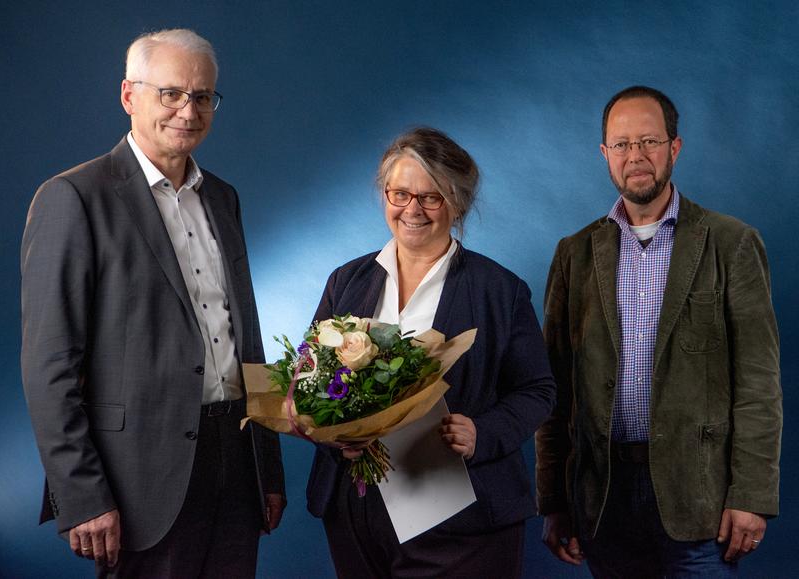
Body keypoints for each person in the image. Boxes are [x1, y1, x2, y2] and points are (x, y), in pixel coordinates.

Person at [21, 29, 285, 577]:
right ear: (128, 96)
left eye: (203, 96)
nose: (188, 111)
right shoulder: (73, 197)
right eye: (171, 93)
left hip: (237, 463)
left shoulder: (223, 197)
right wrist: (82, 493)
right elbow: (49, 366)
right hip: (137, 478)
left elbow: (246, 337)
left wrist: (268, 468)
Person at [535, 85, 782, 577]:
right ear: (605, 154)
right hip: (603, 499)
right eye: (622, 145)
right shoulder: (574, 254)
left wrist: (752, 495)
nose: (636, 156)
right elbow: (555, 390)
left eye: (649, 141)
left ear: (675, 146)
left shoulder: (731, 243)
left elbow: (758, 384)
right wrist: (554, 500)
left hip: (701, 501)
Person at [305, 127, 556, 578]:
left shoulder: (501, 290)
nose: (412, 210)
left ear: (457, 203)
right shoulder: (346, 281)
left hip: (463, 522)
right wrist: (333, 436)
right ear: (385, 195)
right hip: (357, 514)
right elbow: (307, 383)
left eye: (431, 197)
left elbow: (537, 389)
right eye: (400, 194)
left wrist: (483, 432)